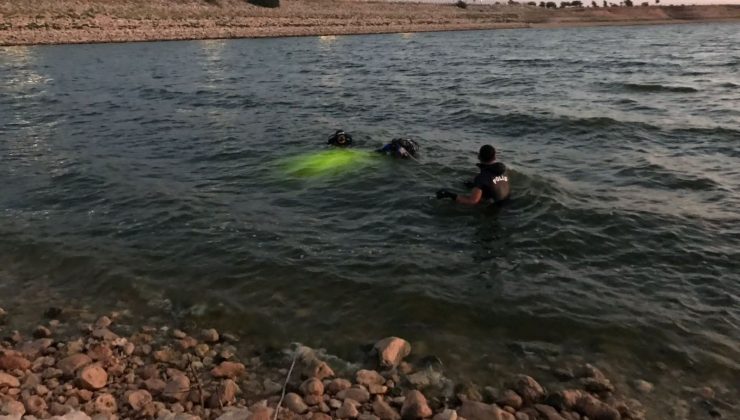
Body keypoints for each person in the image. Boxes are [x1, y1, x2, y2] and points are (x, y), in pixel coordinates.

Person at [436, 145, 510, 205]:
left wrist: (449, 195)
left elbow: (472, 201)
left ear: (479, 157)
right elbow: (493, 183)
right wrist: (474, 186)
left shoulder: (481, 178)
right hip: (507, 203)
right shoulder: (503, 170)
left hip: (494, 209)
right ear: (494, 156)